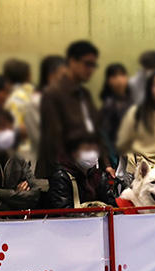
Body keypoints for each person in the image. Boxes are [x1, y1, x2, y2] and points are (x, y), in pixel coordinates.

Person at [37, 40, 112, 181]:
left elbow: (95, 132)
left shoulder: (84, 94)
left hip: (87, 170)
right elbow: (54, 138)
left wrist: (106, 164)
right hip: (62, 173)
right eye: (87, 64)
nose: (91, 70)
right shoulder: (53, 93)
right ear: (72, 62)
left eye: (93, 65)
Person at [47, 135, 116, 209]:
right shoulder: (62, 177)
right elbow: (63, 211)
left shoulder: (99, 176)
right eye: (86, 149)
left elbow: (111, 205)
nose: (91, 154)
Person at [99, 63, 132, 168]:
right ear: (108, 81)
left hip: (136, 158)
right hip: (117, 162)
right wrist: (108, 165)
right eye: (114, 76)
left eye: (122, 75)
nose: (119, 80)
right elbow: (104, 138)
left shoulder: (133, 102)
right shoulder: (108, 106)